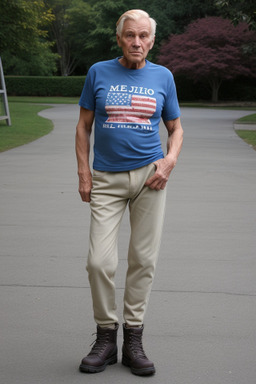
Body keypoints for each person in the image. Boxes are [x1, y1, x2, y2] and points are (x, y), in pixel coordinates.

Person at [75, 9, 183, 376]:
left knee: (143, 261)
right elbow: (83, 126)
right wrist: (83, 173)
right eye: (130, 35)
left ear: (152, 40)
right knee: (99, 263)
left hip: (150, 178)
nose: (137, 42)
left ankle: (133, 340)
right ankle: (106, 336)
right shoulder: (98, 72)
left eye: (144, 36)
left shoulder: (163, 77)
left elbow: (176, 127)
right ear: (119, 38)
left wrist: (168, 161)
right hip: (106, 179)